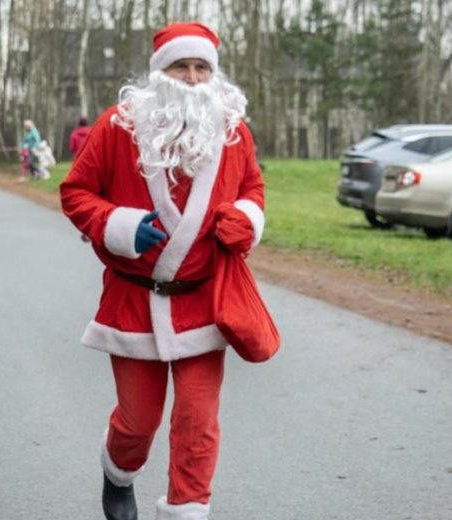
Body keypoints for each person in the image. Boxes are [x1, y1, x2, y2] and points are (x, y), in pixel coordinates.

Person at [60, 22, 265, 520]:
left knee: (198, 420)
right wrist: (119, 225)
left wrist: (247, 218)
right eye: (181, 66)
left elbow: (252, 189)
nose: (192, 78)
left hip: (204, 300)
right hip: (134, 300)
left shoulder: (233, 131)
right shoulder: (117, 126)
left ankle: (186, 510)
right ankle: (117, 472)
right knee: (138, 421)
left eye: (202, 68)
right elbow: (75, 192)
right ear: (160, 72)